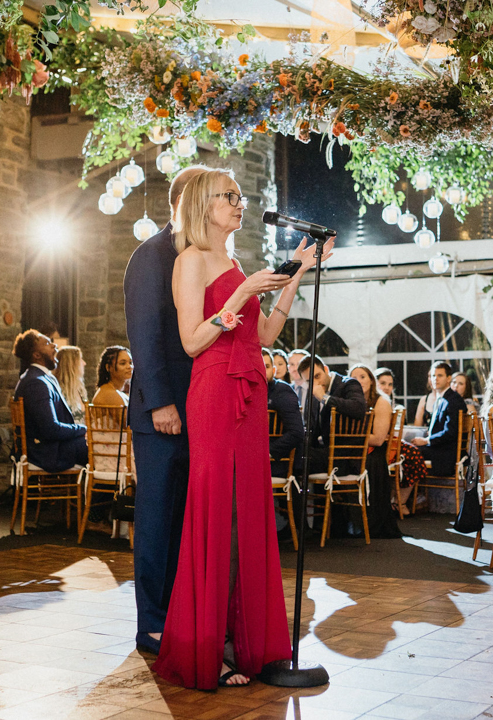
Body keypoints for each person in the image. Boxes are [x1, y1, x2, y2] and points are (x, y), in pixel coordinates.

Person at [152, 165, 331, 689]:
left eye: (238, 195)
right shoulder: (190, 260)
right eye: (229, 196)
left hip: (249, 393)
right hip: (213, 392)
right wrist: (238, 295)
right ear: (204, 204)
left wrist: (297, 271)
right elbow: (190, 341)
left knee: (249, 513)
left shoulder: (231, 260)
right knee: (219, 513)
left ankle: (252, 644)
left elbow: (269, 329)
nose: (239, 203)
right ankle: (214, 648)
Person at [123, 170, 193, 657]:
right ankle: (151, 623)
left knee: (184, 520)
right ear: (186, 200)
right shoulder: (152, 255)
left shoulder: (198, 255)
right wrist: (163, 401)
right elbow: (144, 335)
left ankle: (179, 612)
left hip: (197, 412)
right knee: (154, 520)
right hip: (161, 414)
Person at [11, 330, 88, 473]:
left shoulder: (42, 378)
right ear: (37, 355)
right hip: (46, 453)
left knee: (102, 447)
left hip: (50, 448)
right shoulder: (37, 383)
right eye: (47, 343)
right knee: (101, 449)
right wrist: (82, 429)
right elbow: (51, 430)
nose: (54, 346)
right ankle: (104, 494)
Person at [350, 364, 404, 539]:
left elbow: (379, 439)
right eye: (354, 377)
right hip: (356, 449)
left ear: (371, 381)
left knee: (363, 462)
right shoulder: (350, 401)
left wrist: (351, 437)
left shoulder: (381, 401)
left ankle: (368, 523)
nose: (359, 381)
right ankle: (346, 522)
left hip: (375, 452)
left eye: (363, 376)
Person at [296, 355, 368, 473]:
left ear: (326, 369)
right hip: (324, 452)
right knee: (292, 453)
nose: (316, 382)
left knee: (298, 459)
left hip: (345, 455)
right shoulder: (313, 393)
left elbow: (359, 408)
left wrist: (325, 398)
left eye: (317, 376)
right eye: (309, 381)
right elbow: (312, 429)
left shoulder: (348, 384)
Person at [411, 361, 467, 478]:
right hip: (439, 448)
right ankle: (414, 491)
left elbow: (451, 432)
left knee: (408, 452)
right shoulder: (442, 398)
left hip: (446, 452)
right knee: (407, 446)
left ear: (448, 378)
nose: (435, 379)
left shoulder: (453, 400)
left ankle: (408, 493)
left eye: (440, 375)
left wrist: (426, 440)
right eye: (433, 376)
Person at [263, 349, 304, 480]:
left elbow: (296, 432)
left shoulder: (282, 391)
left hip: (276, 460)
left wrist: (268, 452)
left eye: (267, 366)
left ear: (273, 371)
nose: (262, 370)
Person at [53, 345, 88, 424]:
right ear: (71, 364)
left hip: (83, 433)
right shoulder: (57, 390)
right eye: (80, 359)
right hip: (69, 434)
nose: (84, 363)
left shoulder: (80, 388)